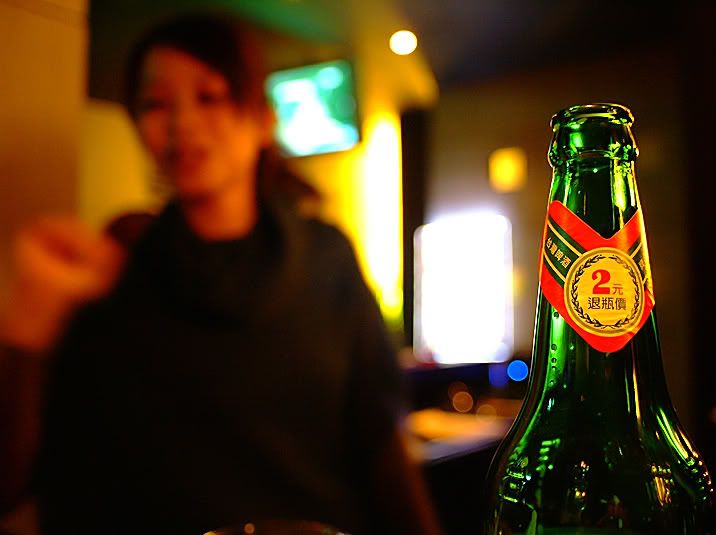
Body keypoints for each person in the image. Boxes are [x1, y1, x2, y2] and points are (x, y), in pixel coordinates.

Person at [0, 13, 441, 535]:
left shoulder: (326, 260)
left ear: (263, 121)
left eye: (209, 96)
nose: (182, 122)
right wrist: (24, 336)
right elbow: (17, 482)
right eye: (155, 104)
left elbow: (380, 442)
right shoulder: (113, 270)